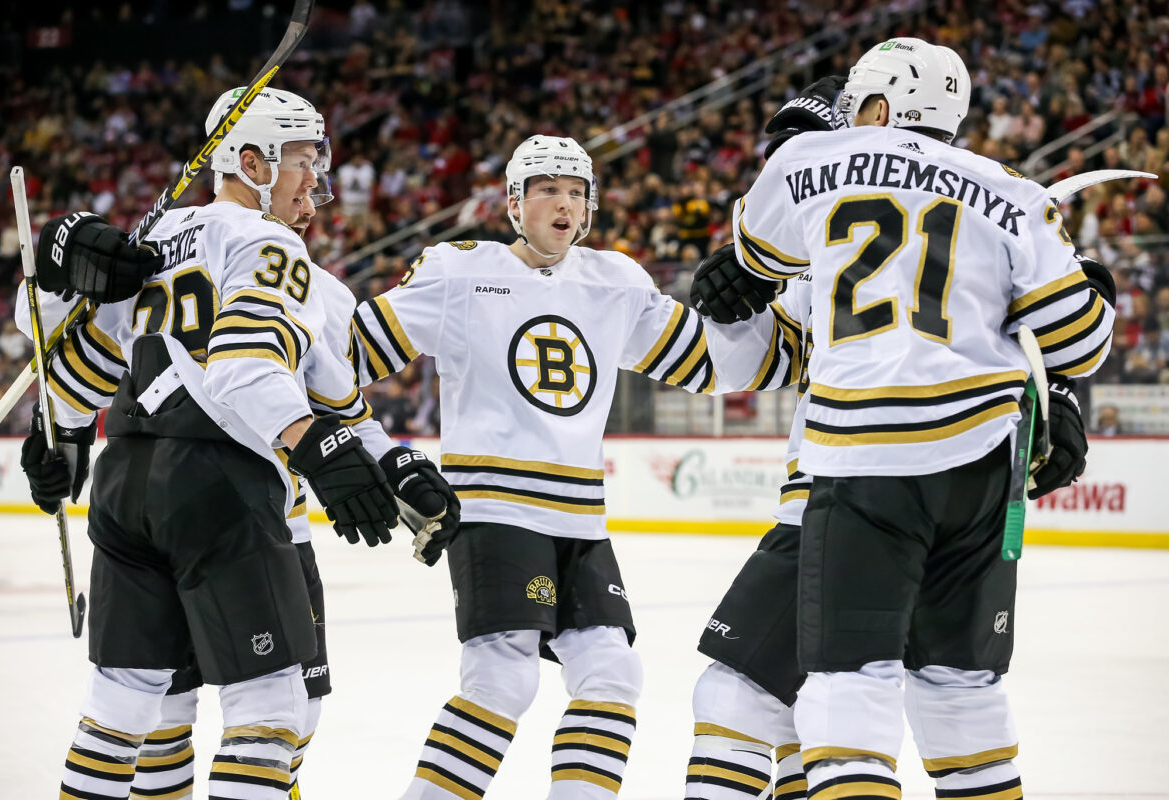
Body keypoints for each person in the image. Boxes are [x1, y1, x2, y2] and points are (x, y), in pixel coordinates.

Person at [690, 39, 1115, 800]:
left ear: (875, 111)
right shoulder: (1010, 192)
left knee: (815, 697)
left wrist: (736, 283)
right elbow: (1078, 338)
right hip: (982, 470)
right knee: (960, 699)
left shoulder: (811, 177)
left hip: (856, 472)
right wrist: (1066, 372)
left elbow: (759, 275)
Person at [18, 87, 419, 800]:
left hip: (126, 487)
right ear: (251, 162)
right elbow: (247, 367)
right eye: (302, 161)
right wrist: (316, 445)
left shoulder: (150, 242)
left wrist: (61, 431)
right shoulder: (270, 245)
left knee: (123, 704)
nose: (314, 184)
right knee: (272, 710)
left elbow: (66, 353)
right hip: (223, 487)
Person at [350, 134, 717, 800]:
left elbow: (710, 360)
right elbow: (345, 358)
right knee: (502, 676)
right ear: (514, 203)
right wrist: (368, 446)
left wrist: (801, 320)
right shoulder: (460, 272)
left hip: (581, 519)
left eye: (577, 192)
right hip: (494, 509)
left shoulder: (616, 281)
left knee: (612, 672)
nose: (565, 204)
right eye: (548, 190)